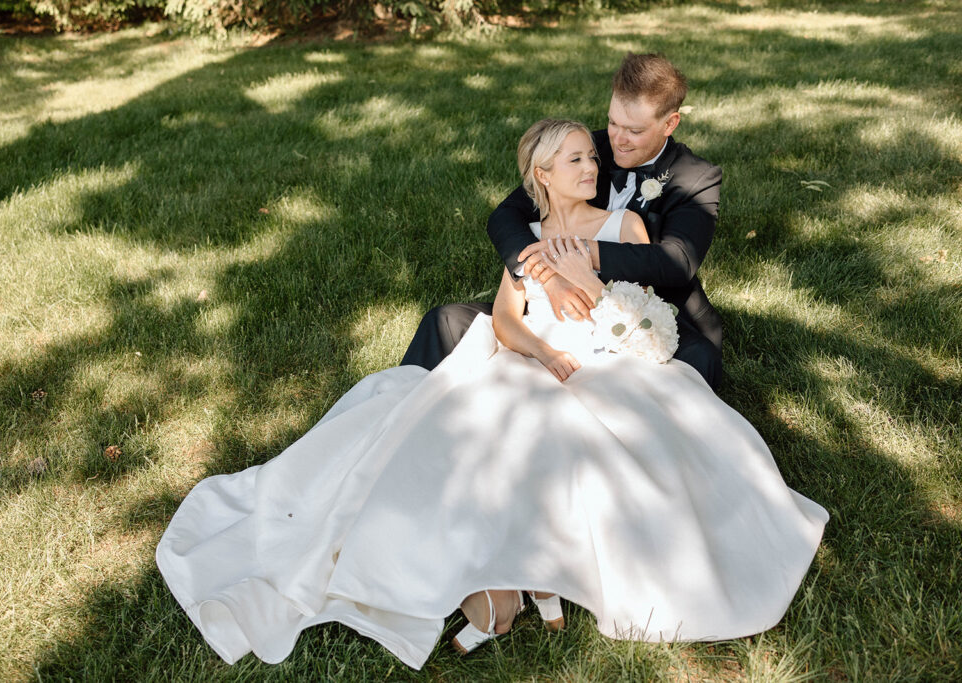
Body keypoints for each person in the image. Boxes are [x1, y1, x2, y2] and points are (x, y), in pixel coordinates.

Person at [156, 118, 828, 671]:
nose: (592, 167)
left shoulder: (624, 229)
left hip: (610, 357)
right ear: (544, 174)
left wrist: (587, 287)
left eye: (592, 159)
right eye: (576, 161)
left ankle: (528, 575)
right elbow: (508, 317)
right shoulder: (528, 237)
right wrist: (539, 350)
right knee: (456, 423)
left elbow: (644, 299)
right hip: (534, 355)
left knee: (577, 431)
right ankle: (500, 582)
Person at [401, 52, 724, 391]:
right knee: (445, 321)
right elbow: (505, 217)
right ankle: (404, 404)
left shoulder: (696, 177)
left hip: (648, 310)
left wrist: (579, 254)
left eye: (634, 130)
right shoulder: (584, 149)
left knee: (695, 360)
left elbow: (676, 263)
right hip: (550, 314)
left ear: (669, 124)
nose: (617, 139)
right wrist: (548, 273)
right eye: (613, 122)